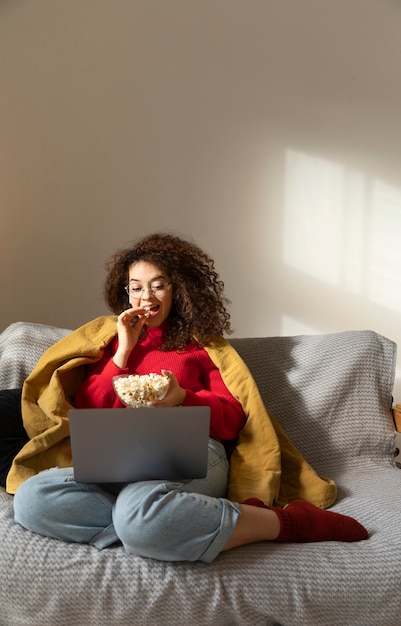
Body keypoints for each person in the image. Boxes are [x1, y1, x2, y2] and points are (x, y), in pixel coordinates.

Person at [11, 232, 368, 562]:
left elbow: (233, 420)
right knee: (33, 498)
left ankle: (281, 523)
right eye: (135, 288)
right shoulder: (110, 342)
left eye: (158, 285)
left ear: (178, 290)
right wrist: (122, 352)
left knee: (138, 509)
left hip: (192, 448)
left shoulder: (201, 345)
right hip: (120, 453)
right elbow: (88, 409)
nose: (145, 298)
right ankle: (153, 527)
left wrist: (183, 398)